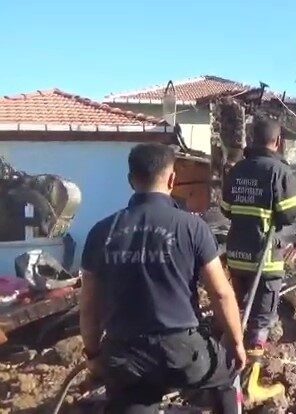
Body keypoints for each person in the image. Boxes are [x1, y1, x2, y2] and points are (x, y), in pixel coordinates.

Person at [79, 143, 246, 414]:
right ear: (172, 179)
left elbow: (88, 305)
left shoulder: (101, 232)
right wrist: (236, 344)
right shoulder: (193, 227)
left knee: (131, 400)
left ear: (131, 180)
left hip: (125, 354)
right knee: (227, 374)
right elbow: (222, 293)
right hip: (182, 352)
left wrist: (93, 354)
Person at [221, 117, 296, 402]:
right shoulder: (280, 171)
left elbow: (227, 209)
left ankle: (228, 376)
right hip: (264, 261)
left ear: (252, 140)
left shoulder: (237, 170)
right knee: (260, 321)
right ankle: (247, 387)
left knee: (239, 315)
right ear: (278, 142)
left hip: (237, 257)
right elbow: (290, 213)